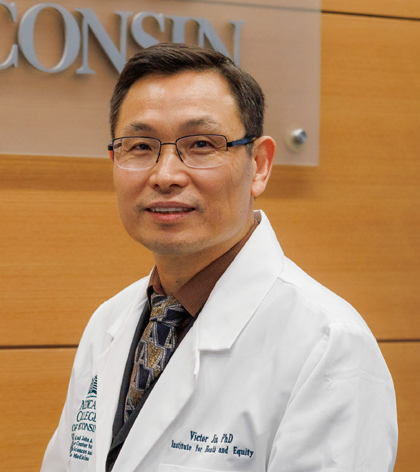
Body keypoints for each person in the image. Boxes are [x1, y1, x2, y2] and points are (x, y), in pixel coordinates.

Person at [41, 43, 397, 472]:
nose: (165, 175)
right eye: (140, 146)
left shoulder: (327, 344)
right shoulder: (107, 324)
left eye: (201, 144)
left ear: (259, 165)